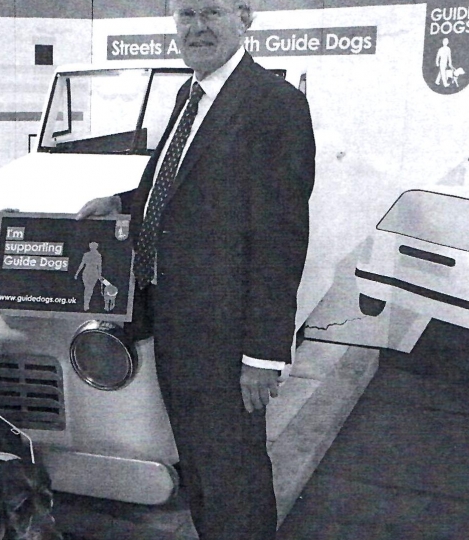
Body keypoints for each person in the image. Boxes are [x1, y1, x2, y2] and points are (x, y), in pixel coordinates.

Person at [76, 1, 315, 538]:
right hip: (178, 324)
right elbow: (177, 188)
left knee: (234, 478)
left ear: (245, 18)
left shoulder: (274, 105)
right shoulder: (193, 95)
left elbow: (281, 241)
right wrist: (119, 202)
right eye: (186, 14)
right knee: (203, 472)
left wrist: (262, 354)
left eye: (212, 12)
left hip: (228, 340)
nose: (197, 27)